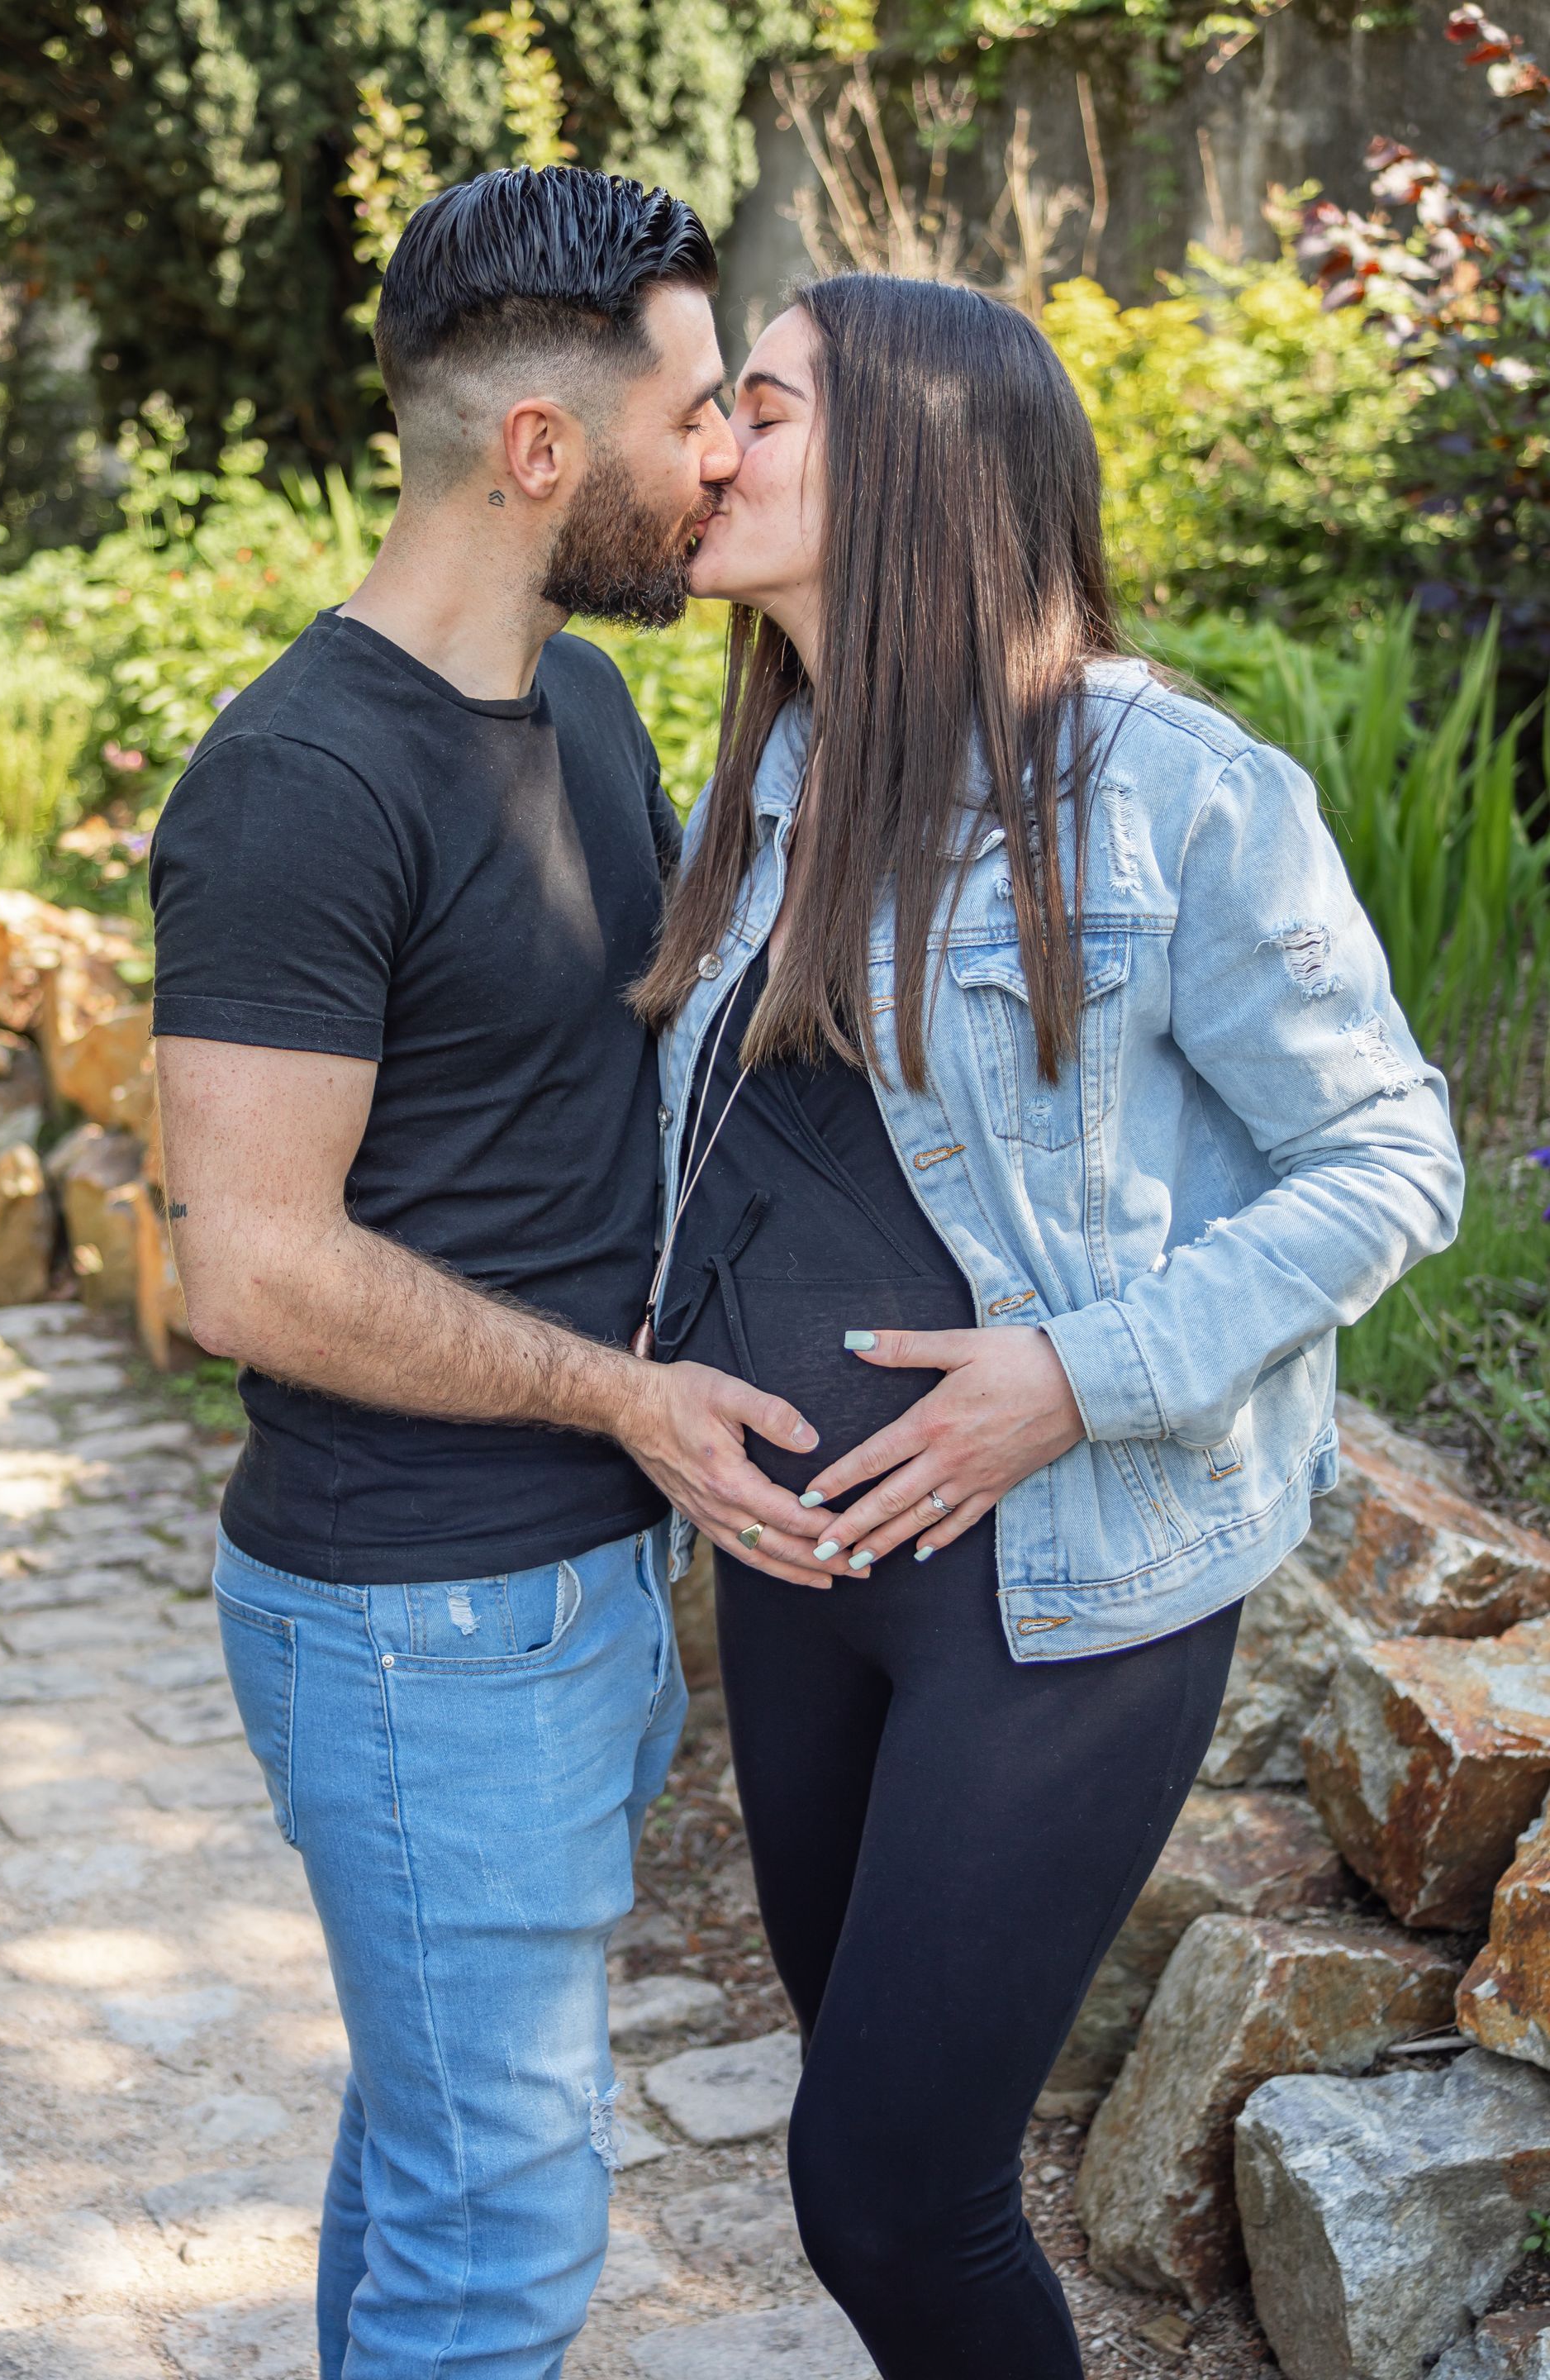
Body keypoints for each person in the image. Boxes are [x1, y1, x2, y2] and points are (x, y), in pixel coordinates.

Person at [634, 273, 1465, 2379]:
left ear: (920, 451)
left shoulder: (1169, 788)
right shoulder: (771, 778)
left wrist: (1074, 1377)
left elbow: (1389, 1161)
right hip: (804, 1584)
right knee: (881, 2160)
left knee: (887, 2199)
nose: (717, 446)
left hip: (1061, 1601)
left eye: (767, 407)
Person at [148, 167, 852, 2380]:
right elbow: (245, 1269)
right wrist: (624, 1398)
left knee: (442, 2158)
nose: (723, 455)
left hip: (561, 1598)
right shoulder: (299, 784)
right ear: (537, 452)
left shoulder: (592, 717)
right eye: (686, 421)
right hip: (419, 1619)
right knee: (504, 2235)